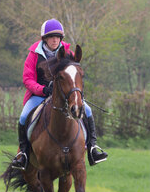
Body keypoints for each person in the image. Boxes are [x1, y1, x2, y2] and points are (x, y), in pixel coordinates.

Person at [11, 18, 108, 171]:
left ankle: (92, 148)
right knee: (23, 116)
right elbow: (27, 79)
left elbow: (74, 75)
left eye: (58, 37)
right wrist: (42, 90)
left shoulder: (68, 53)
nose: (55, 40)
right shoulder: (34, 54)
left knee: (87, 111)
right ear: (45, 39)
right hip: (39, 95)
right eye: (51, 37)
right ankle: (23, 153)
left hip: (63, 96)